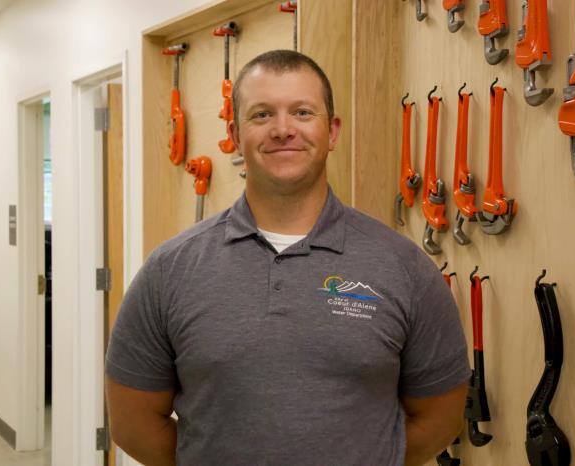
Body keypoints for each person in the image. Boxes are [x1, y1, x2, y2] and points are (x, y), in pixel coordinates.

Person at [105, 49, 470, 466]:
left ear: (332, 131)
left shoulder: (405, 268)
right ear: (235, 134)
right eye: (262, 115)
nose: (283, 130)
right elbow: (133, 423)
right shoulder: (169, 270)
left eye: (302, 112)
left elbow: (440, 419)